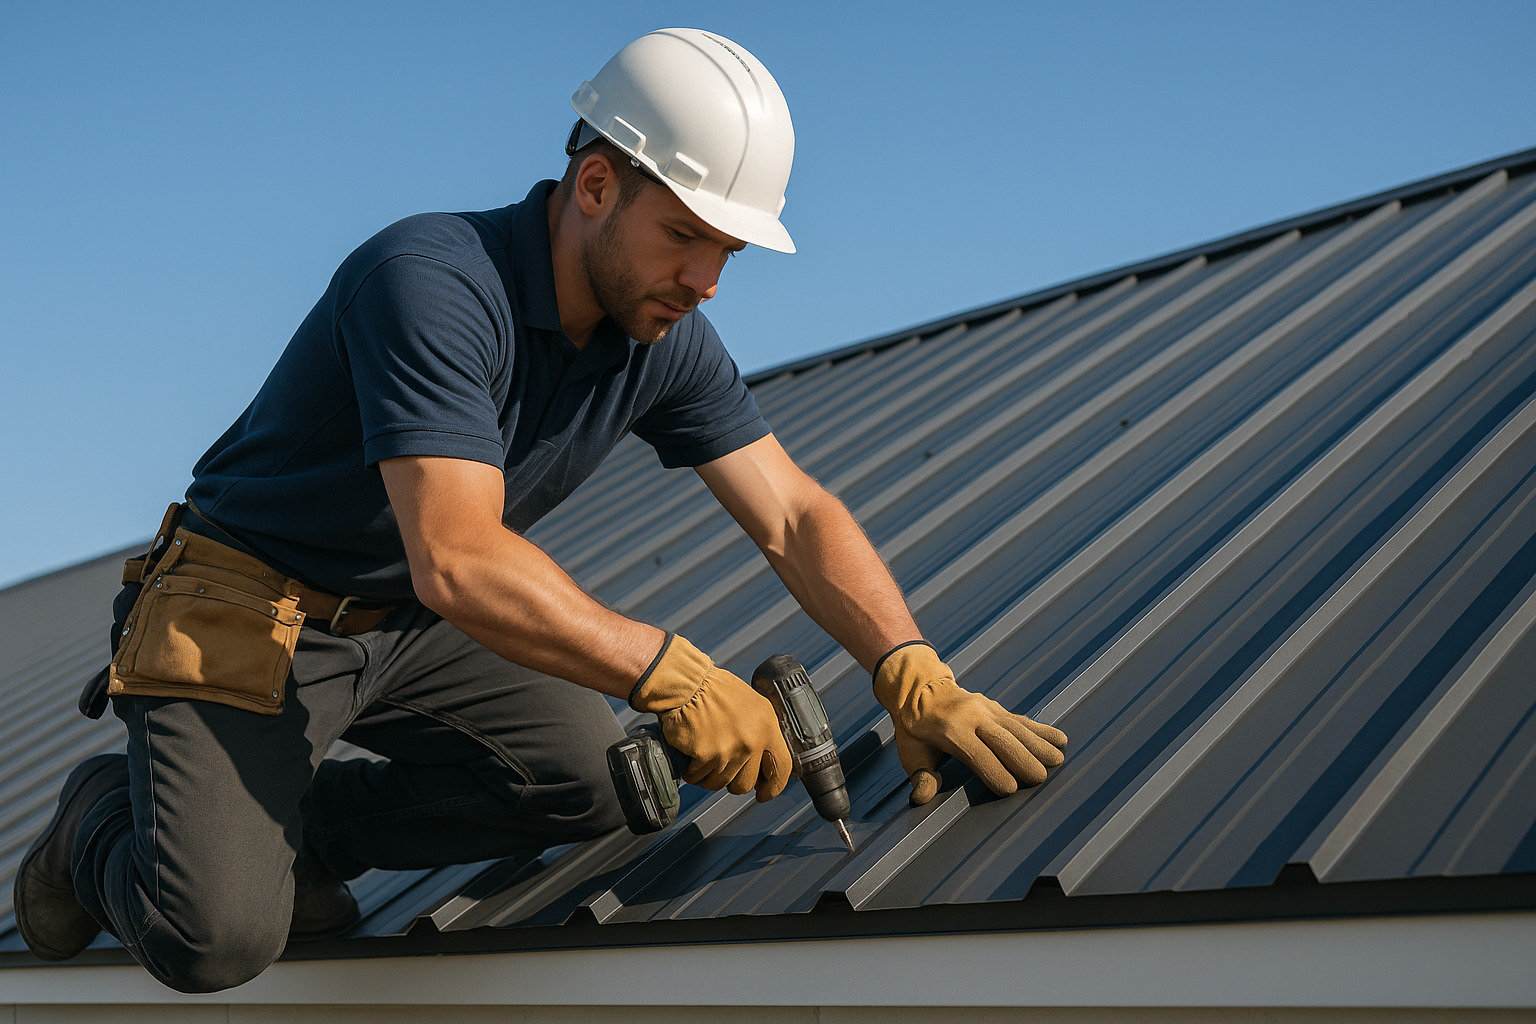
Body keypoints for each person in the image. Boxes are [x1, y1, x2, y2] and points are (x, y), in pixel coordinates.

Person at [14, 28, 1067, 993]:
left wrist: (909, 668)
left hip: (408, 625)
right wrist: (676, 672)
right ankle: (98, 818)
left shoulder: (660, 339)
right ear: (596, 184)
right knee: (216, 939)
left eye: (729, 255)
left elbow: (792, 512)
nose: (705, 281)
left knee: (606, 782)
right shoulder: (430, 281)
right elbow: (461, 558)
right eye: (686, 237)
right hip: (247, 611)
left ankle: (305, 837)